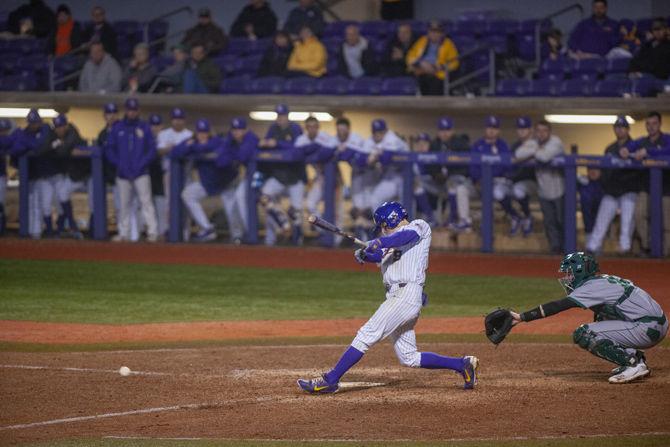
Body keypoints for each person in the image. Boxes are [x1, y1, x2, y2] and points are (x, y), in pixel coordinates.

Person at [297, 201, 479, 394]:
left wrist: (380, 242)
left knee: (366, 334)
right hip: (398, 297)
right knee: (409, 357)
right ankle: (462, 364)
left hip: (405, 295)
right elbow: (382, 255)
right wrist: (365, 255)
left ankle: (331, 380)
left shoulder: (418, 227)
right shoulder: (392, 242)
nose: (382, 231)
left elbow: (403, 237)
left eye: (383, 226)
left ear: (391, 220)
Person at [510, 252, 667, 384]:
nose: (567, 278)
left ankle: (633, 364)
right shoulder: (602, 280)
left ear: (580, 272)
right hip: (653, 324)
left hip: (646, 328)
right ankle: (635, 357)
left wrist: (521, 317)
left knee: (585, 333)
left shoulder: (591, 286)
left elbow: (559, 305)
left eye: (570, 273)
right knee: (600, 316)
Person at [105, 98, 158, 243]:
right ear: (126, 110)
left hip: (141, 172)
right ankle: (124, 233)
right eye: (129, 110)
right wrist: (120, 165)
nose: (132, 112)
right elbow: (110, 149)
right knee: (123, 205)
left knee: (146, 202)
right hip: (123, 173)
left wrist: (140, 165)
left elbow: (152, 150)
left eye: (134, 110)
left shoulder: (144, 127)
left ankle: (152, 233)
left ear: (138, 111)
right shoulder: (118, 127)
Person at [586, 117, 638, 254]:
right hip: (612, 191)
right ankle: (593, 247)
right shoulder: (610, 148)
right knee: (601, 219)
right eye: (617, 127)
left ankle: (625, 248)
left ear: (628, 129)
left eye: (622, 127)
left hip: (629, 190)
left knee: (627, 221)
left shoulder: (635, 146)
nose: (619, 129)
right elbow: (604, 172)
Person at [257, 104, 304, 246]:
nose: (280, 118)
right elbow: (266, 144)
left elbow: (297, 146)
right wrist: (266, 143)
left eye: (283, 115)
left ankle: (297, 241)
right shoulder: (273, 128)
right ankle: (282, 222)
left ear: (287, 116)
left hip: (295, 177)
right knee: (264, 197)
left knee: (296, 213)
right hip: (278, 175)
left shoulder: (295, 128)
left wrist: (277, 143)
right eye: (278, 115)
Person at [470, 116, 520, 235]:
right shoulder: (478, 145)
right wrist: (479, 178)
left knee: (496, 191)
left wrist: (491, 175)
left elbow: (506, 167)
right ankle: (467, 222)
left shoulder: (503, 146)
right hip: (479, 182)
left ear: (499, 130)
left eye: (495, 128)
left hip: (498, 182)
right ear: (485, 129)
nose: (492, 130)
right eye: (489, 127)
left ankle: (514, 216)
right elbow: (472, 168)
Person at [631, 112, 670, 256]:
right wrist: (626, 150)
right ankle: (649, 246)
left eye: (654, 123)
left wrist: (648, 152)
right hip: (646, 187)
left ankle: (665, 253)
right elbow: (630, 146)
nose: (651, 127)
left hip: (666, 189)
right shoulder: (642, 141)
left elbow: (668, 150)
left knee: (667, 224)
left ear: (660, 124)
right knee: (639, 215)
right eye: (648, 124)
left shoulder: (667, 139)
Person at [41, 114, 86, 238]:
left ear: (66, 125)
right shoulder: (53, 135)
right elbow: (42, 149)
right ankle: (68, 227)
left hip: (84, 174)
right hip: (71, 174)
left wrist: (58, 146)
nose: (59, 129)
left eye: (61, 126)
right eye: (57, 127)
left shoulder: (72, 132)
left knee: (63, 194)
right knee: (62, 195)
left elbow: (62, 151)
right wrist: (55, 145)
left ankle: (69, 226)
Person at [364, 119, 410, 235]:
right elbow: (362, 159)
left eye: (380, 132)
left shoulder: (392, 138)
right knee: (375, 199)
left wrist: (375, 156)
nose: (378, 135)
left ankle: (407, 237)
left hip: (407, 175)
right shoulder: (372, 141)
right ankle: (383, 232)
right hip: (392, 175)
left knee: (405, 207)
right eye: (375, 132)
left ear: (385, 131)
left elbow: (386, 157)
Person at [10, 109, 50, 238]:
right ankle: (34, 233)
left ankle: (45, 232)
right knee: (31, 204)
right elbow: (15, 149)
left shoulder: (45, 129)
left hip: (44, 175)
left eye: (36, 122)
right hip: (28, 176)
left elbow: (41, 145)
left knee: (45, 206)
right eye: (32, 123)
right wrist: (30, 146)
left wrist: (28, 146)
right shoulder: (23, 133)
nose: (34, 125)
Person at [156, 108, 193, 238]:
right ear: (172, 120)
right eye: (175, 119)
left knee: (186, 203)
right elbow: (159, 151)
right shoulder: (164, 134)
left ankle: (185, 232)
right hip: (169, 173)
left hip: (186, 174)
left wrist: (173, 148)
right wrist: (178, 148)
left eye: (180, 119)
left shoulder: (189, 134)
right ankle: (169, 230)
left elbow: (189, 151)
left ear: (184, 120)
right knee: (168, 203)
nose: (177, 122)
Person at [430, 117, 471, 231]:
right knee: (417, 183)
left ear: (452, 130)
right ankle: (431, 218)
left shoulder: (461, 143)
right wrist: (436, 174)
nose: (444, 133)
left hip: (460, 180)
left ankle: (454, 219)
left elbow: (467, 166)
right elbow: (430, 166)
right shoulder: (434, 144)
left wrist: (450, 174)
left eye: (447, 130)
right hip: (439, 182)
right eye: (442, 130)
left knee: (454, 184)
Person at [298, 116, 338, 232]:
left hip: (335, 178)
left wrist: (312, 154)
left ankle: (337, 242)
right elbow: (296, 153)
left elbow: (331, 150)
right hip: (320, 177)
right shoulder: (302, 140)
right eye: (309, 127)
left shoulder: (326, 137)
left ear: (318, 127)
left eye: (314, 127)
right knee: (310, 203)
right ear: (306, 128)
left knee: (336, 211)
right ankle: (323, 232)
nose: (312, 129)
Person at [533, 120, 566, 254]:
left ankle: (567, 248)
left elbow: (544, 156)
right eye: (539, 131)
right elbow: (519, 153)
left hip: (559, 189)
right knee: (549, 222)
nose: (541, 134)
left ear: (549, 132)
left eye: (544, 130)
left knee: (561, 220)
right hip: (543, 190)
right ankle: (555, 248)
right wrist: (534, 149)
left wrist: (533, 150)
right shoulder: (534, 143)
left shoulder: (556, 142)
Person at [334, 117, 369, 240]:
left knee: (369, 208)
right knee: (357, 208)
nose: (341, 133)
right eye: (339, 130)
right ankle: (365, 240)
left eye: (343, 130)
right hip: (356, 175)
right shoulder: (335, 140)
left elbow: (354, 156)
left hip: (370, 175)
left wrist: (343, 152)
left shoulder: (356, 138)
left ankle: (371, 238)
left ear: (348, 129)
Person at [406, 21, 459, 95]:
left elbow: (454, 62)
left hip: (437, 73)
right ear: (428, 32)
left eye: (437, 31)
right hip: (421, 69)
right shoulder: (422, 41)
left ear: (442, 33)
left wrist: (440, 67)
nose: (434, 34)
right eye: (432, 31)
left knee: (433, 83)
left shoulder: (448, 44)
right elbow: (410, 55)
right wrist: (420, 63)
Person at [507, 117, 538, 237]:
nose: (521, 131)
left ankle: (527, 216)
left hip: (536, 183)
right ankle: (516, 217)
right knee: (500, 191)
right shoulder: (515, 145)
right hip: (518, 182)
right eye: (519, 129)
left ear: (530, 130)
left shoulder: (536, 143)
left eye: (524, 128)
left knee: (518, 190)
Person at [578, 167, 604, 242]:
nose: (593, 172)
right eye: (590, 169)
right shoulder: (583, 182)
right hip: (588, 226)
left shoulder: (605, 183)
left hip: (601, 228)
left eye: (596, 169)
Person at [0, 119, 13, 235]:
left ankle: (2, 230)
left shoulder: (8, 140)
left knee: (0, 203)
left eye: (5, 130)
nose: (3, 133)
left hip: (1, 176)